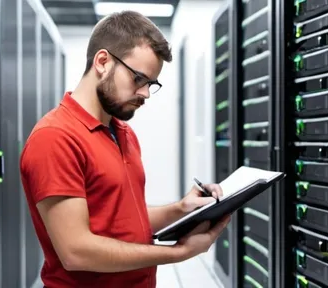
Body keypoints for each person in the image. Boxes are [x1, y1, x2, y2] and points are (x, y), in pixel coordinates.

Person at [19, 11, 231, 288]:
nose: (144, 93)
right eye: (138, 79)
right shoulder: (55, 137)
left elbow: (122, 220)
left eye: (151, 84)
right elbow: (76, 252)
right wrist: (178, 253)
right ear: (103, 62)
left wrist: (181, 208)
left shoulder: (123, 133)